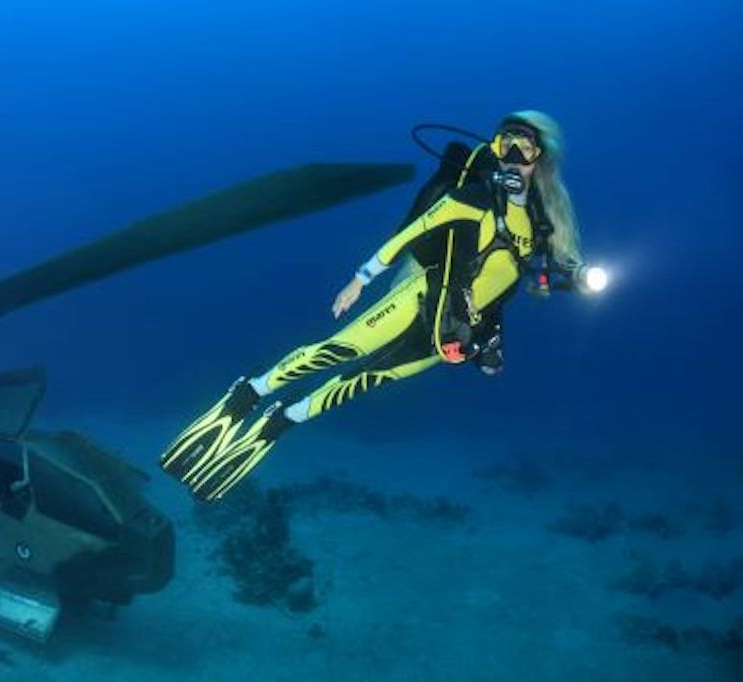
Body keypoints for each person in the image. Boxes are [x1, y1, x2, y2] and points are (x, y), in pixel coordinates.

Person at [160, 110, 595, 501]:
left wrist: (565, 281)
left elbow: (517, 276)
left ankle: (283, 420)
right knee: (336, 352)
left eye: (525, 148)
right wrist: (360, 280)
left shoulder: (538, 225)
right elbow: (409, 235)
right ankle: (248, 394)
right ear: (494, 148)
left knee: (359, 382)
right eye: (506, 144)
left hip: (450, 336)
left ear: (540, 159)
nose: (513, 156)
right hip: (418, 299)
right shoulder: (474, 198)